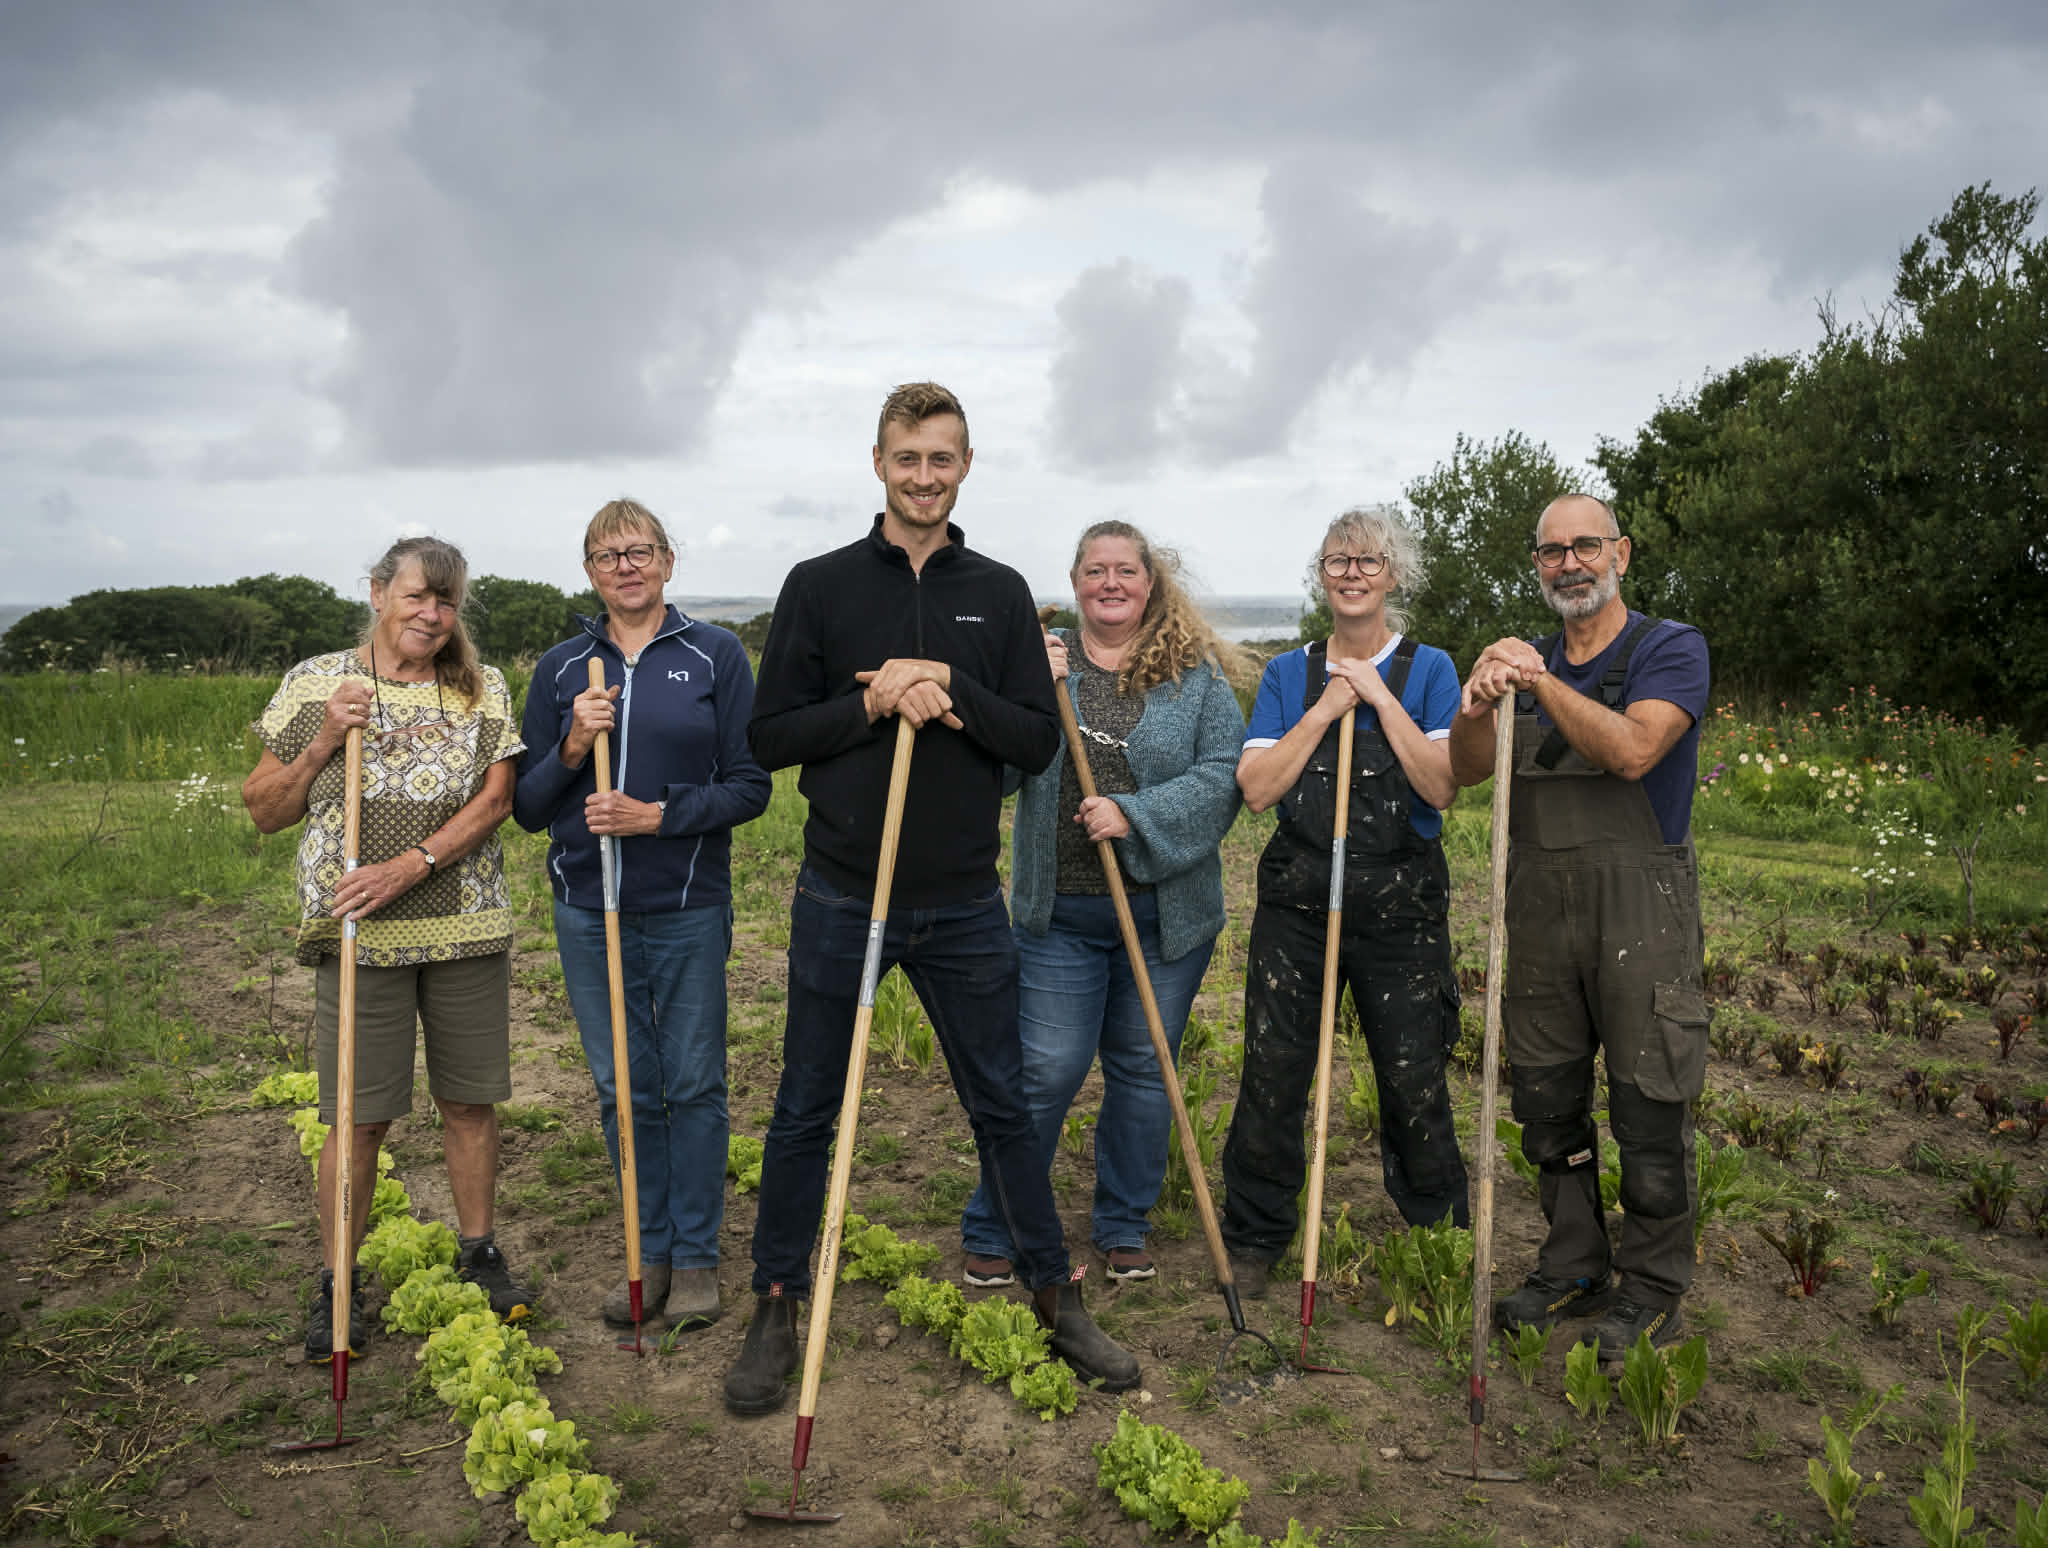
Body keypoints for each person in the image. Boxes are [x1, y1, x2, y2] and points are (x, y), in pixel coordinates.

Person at [722, 381, 1140, 1417]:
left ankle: (1051, 1288)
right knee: (803, 1111)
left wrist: (945, 688)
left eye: (940, 459)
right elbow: (768, 739)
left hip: (960, 902)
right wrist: (868, 699)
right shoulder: (817, 587)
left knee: (1002, 1103)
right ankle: (775, 1302)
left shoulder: (998, 594)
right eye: (906, 458)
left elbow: (1035, 740)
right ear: (877, 464)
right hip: (840, 893)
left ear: (963, 467)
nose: (922, 477)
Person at [244, 536, 533, 1362]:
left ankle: (479, 1252)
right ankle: (340, 1281)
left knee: (471, 1102)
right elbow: (265, 810)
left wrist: (411, 865)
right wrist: (324, 740)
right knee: (359, 1116)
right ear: (377, 593)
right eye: (416, 598)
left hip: (463, 920)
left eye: (446, 603)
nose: (432, 616)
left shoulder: (479, 687)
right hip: (356, 934)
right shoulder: (317, 683)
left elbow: (497, 798)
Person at [1449, 493, 1709, 1360]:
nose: (1570, 563)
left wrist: (1538, 680)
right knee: (1548, 1102)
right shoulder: (1522, 664)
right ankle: (1574, 1264)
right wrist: (1481, 701)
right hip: (1542, 913)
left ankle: (1653, 1291)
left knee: (1648, 1103)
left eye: (1585, 546)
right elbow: (1468, 770)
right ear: (1538, 565)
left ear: (1621, 554)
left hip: (1643, 913)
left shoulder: (1668, 649)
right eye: (1552, 552)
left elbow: (1635, 750)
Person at [958, 521, 1245, 1288]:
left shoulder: (1196, 677)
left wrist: (1135, 814)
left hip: (1165, 918)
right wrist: (1018, 690)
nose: (1109, 582)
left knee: (1146, 1068)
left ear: (1151, 583)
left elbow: (1225, 778)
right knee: (1047, 1070)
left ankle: (1123, 1225)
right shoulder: (1041, 667)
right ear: (1076, 581)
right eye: (1094, 570)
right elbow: (1002, 773)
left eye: (1125, 570)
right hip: (1060, 920)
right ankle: (998, 1221)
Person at [513, 500, 771, 1332]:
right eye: (605, 554)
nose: (624, 565)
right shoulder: (561, 670)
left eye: (639, 551)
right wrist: (573, 751)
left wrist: (657, 816)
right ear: (588, 571)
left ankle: (695, 1255)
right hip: (589, 906)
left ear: (667, 560)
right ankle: (647, 1247)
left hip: (687, 901)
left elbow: (751, 785)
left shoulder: (714, 654)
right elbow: (527, 807)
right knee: (622, 1085)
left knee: (692, 1083)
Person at [1221, 507, 1470, 1295]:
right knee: (1273, 1070)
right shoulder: (1288, 676)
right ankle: (1256, 1234)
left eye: (1369, 561)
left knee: (1413, 1072)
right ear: (1321, 576)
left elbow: (1441, 784)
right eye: (1337, 562)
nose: (1353, 574)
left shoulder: (1430, 669)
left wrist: (1377, 698)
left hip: (1401, 909)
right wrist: (1328, 707)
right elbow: (1257, 791)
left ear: (1394, 576)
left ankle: (1438, 1233)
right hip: (1298, 905)